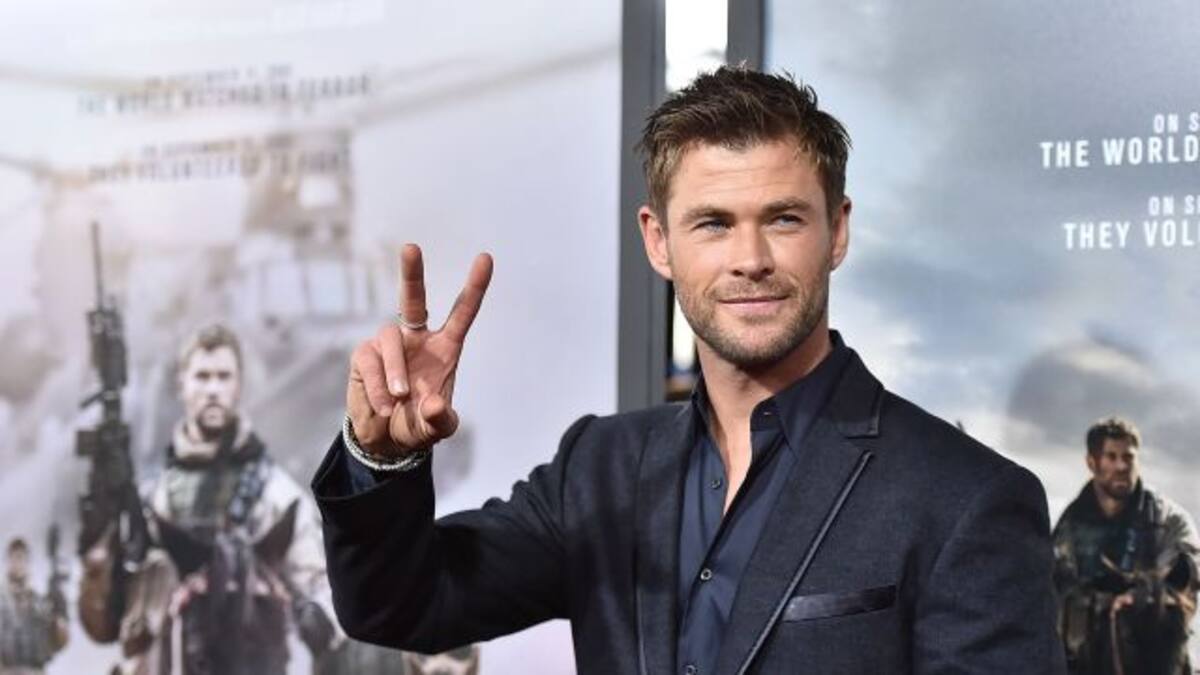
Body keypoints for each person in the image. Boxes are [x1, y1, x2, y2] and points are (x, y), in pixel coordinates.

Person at [313, 66, 1066, 673]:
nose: (750, 259)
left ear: (837, 231)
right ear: (659, 241)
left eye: (784, 218)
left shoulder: (965, 498)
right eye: (713, 223)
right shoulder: (600, 468)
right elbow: (401, 606)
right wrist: (381, 456)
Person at [78, 323, 340, 675]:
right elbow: (105, 625)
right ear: (182, 385)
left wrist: (316, 614)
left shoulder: (275, 495)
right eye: (202, 377)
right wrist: (100, 562)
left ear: (238, 385)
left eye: (223, 377)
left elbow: (321, 585)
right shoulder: (152, 499)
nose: (213, 389)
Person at [1052, 416, 1199, 675]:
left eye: (1128, 457)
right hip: (1086, 662)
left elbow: (1188, 574)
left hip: (1157, 660)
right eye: (1111, 457)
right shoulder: (1068, 530)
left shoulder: (1168, 520)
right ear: (1092, 462)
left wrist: (1144, 597)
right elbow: (1053, 596)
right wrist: (1103, 604)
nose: (1122, 466)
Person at [0, 538, 67, 675]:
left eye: (22, 558)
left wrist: (59, 611)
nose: (18, 563)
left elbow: (58, 642)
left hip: (35, 670)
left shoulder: (40, 603)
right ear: (8, 561)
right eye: (14, 558)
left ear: (28, 562)